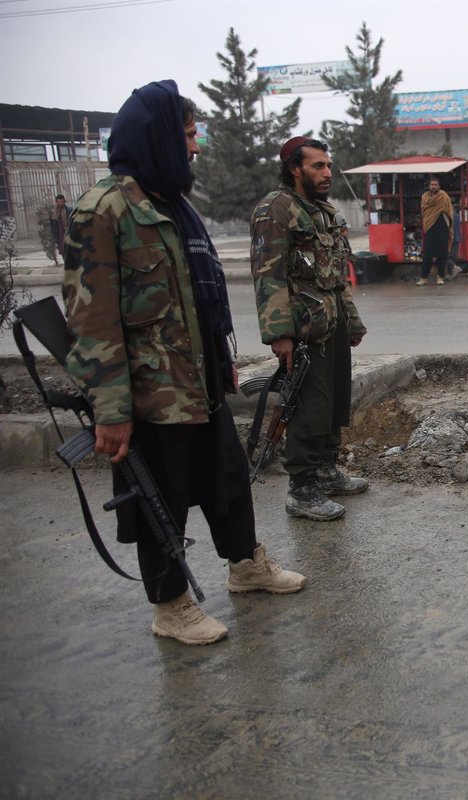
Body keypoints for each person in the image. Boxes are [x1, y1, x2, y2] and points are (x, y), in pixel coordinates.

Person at [61, 80, 305, 646]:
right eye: (189, 136)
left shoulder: (174, 204)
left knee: (227, 482)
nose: (195, 148)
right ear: (160, 138)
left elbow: (197, 300)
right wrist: (111, 410)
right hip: (149, 394)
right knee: (160, 500)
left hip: (199, 381)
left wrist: (221, 362)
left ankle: (245, 566)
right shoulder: (104, 211)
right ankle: (170, 606)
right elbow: (92, 323)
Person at [251, 137, 369, 521]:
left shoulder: (325, 212)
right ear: (294, 168)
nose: (327, 173)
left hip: (331, 322)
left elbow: (336, 277)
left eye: (329, 166)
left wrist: (351, 319)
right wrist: (280, 334)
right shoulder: (276, 210)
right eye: (318, 166)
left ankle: (327, 471)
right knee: (308, 405)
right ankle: (301, 490)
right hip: (303, 328)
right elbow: (268, 277)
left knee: (335, 399)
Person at [418, 176, 454, 286]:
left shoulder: (443, 196)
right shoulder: (425, 197)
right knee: (428, 253)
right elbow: (424, 211)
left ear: (439, 186)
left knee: (442, 254)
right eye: (432, 185)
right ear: (429, 186)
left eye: (435, 185)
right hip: (429, 226)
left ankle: (440, 277)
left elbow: (449, 210)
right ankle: (423, 278)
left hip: (442, 225)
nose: (433, 186)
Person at [50, 194, 72, 259]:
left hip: (68, 233)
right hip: (59, 234)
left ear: (64, 201)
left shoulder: (69, 210)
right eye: (59, 201)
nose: (61, 203)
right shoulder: (53, 212)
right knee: (63, 251)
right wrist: (54, 237)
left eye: (62, 201)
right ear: (56, 202)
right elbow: (52, 226)